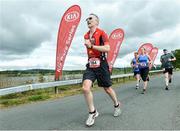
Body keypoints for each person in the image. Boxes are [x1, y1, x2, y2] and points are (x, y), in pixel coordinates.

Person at [82, 13, 122, 126]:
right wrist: (90, 47)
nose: (88, 21)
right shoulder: (85, 35)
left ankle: (117, 105)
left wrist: (92, 46)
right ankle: (92, 112)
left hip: (102, 63)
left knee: (107, 89)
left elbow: (107, 48)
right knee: (85, 88)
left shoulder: (102, 33)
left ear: (96, 22)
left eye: (90, 19)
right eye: (87, 19)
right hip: (90, 64)